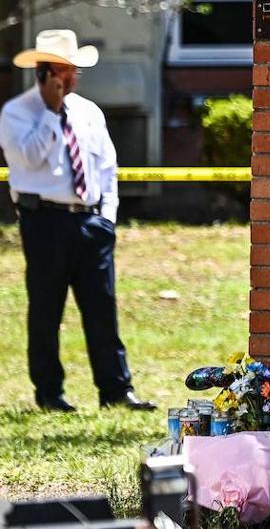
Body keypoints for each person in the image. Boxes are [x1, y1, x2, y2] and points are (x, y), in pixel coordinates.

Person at [0, 29, 155, 412]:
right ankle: (50, 393)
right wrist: (51, 114)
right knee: (46, 311)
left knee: (102, 308)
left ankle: (116, 390)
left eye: (74, 71)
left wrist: (107, 216)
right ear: (44, 73)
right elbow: (29, 159)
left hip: (91, 224)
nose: (71, 78)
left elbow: (107, 167)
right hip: (45, 221)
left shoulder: (89, 111)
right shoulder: (17, 113)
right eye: (63, 70)